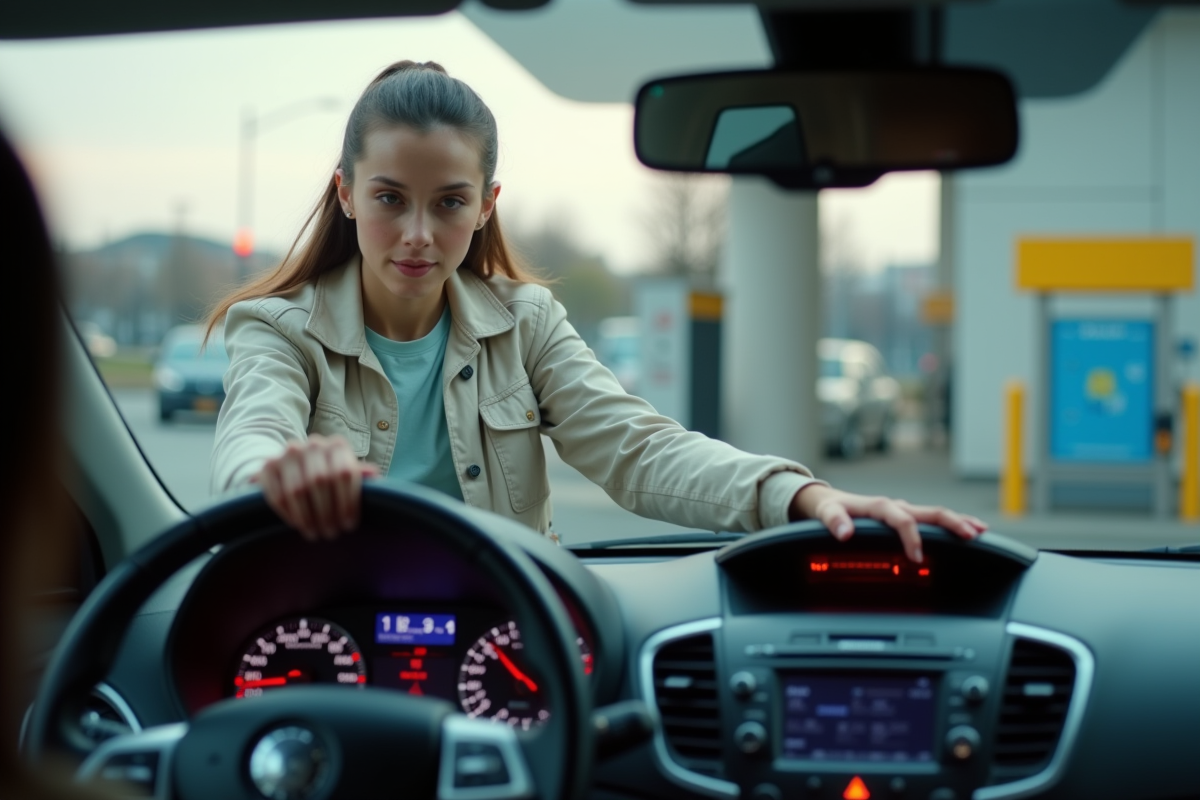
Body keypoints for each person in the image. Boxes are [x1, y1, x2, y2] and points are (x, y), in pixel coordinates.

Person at [208, 60, 986, 562]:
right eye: (388, 199)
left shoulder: (528, 323)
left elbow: (638, 450)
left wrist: (803, 495)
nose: (417, 234)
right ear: (346, 193)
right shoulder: (279, 329)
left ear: (486, 207)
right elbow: (250, 443)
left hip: (510, 630)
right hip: (330, 630)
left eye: (449, 202)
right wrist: (278, 476)